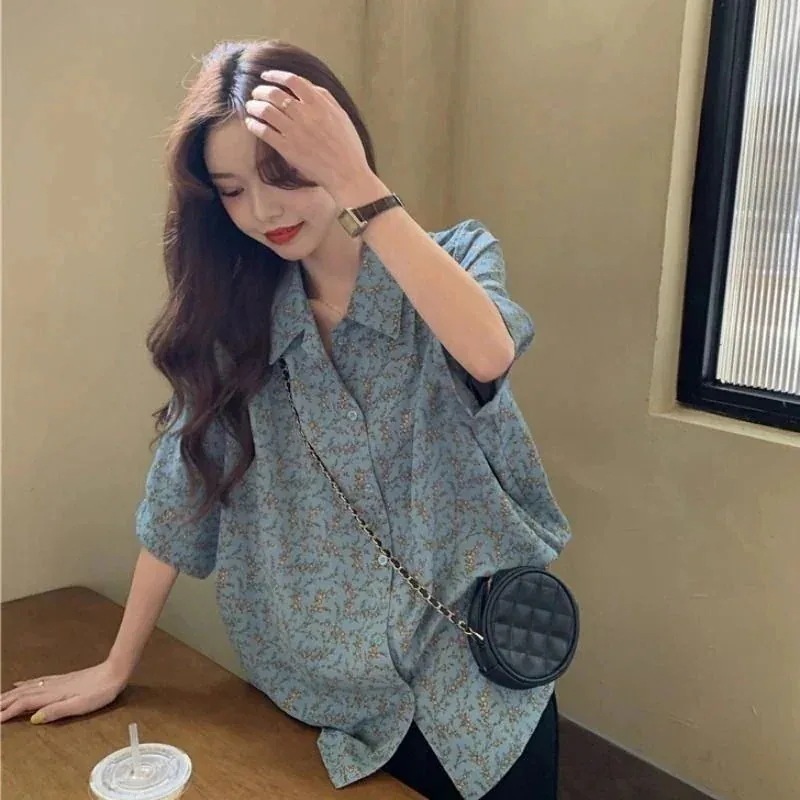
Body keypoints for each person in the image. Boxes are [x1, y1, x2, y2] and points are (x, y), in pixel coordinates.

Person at [0, 39, 571, 799]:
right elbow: (177, 500)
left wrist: (358, 185)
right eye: (233, 191)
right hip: (327, 709)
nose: (263, 210)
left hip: (480, 693)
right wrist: (115, 665)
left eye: (285, 172)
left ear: (339, 153)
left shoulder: (454, 261)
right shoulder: (236, 329)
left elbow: (489, 349)